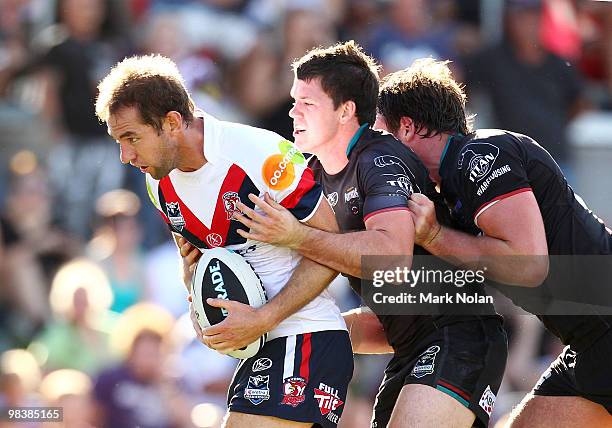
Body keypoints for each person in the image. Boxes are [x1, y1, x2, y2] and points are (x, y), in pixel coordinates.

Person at [215, 41, 507, 428]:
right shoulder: (310, 175)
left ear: (346, 110)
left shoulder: (380, 159)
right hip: (406, 345)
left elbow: (391, 257)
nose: (292, 112)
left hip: (461, 336)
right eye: (293, 100)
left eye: (308, 103)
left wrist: (297, 236)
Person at [94, 54, 352, 428]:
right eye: (118, 141)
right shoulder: (159, 184)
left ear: (171, 122)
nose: (125, 156)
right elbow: (198, 269)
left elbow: (334, 250)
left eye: (132, 138)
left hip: (306, 337)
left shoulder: (259, 153)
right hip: (258, 350)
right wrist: (201, 308)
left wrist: (263, 317)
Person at [375, 58, 612, 427]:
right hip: (590, 345)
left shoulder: (481, 154)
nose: (377, 156)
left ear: (406, 127)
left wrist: (435, 237)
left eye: (380, 137)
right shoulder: (448, 190)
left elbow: (529, 264)